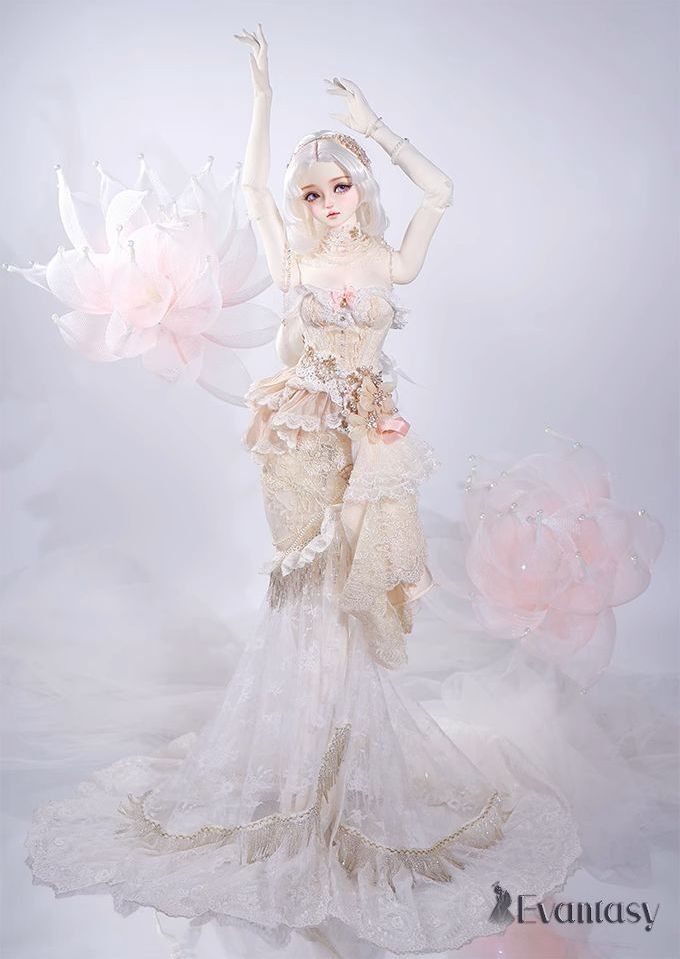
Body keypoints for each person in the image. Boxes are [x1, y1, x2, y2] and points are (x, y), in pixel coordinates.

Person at [18, 22, 672, 959]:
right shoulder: (298, 261)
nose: (328, 202)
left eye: (340, 185)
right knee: (305, 586)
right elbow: (251, 192)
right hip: (297, 440)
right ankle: (298, 760)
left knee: (355, 590)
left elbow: (442, 193)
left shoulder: (385, 261)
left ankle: (341, 753)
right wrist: (261, 97)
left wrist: (377, 127)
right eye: (314, 191)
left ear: (361, 187)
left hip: (369, 441)